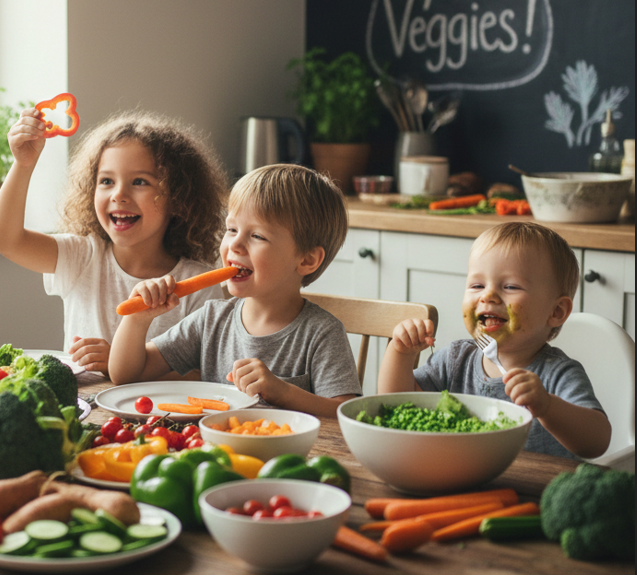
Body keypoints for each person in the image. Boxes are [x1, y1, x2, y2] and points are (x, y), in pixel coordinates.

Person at [107, 164, 362, 419]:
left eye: (258, 236)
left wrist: (283, 392)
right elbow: (126, 375)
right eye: (231, 229)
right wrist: (136, 320)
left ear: (307, 260)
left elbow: (346, 414)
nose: (235, 245)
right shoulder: (211, 320)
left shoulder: (321, 333)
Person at [0, 107, 229, 376]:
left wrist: (121, 362)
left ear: (178, 198)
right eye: (106, 181)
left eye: (139, 181)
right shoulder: (81, 256)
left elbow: (200, 376)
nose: (119, 194)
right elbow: (5, 240)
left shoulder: (199, 284)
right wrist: (23, 164)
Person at [378, 221, 611, 460]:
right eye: (477, 285)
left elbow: (596, 442)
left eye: (510, 286)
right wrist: (401, 354)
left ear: (556, 312)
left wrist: (548, 406)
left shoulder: (557, 373)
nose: (487, 295)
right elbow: (396, 406)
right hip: (459, 483)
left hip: (536, 491)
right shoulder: (456, 359)